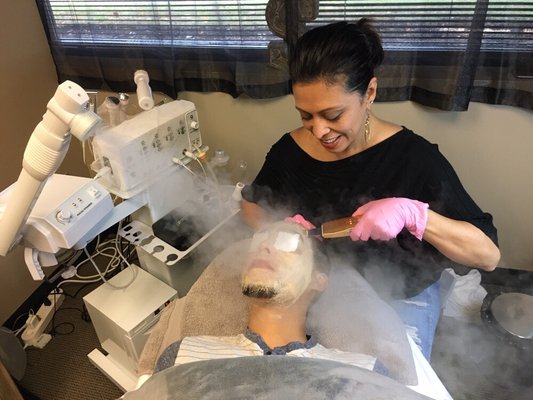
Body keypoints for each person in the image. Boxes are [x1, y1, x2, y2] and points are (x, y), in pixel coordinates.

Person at [240, 19, 500, 360]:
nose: (319, 131)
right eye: (305, 115)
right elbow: (252, 205)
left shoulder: (413, 158)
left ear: (370, 94)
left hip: (398, 296)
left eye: (332, 115)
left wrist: (415, 215)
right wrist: (279, 227)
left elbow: (488, 256)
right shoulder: (289, 151)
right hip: (322, 285)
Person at [154, 220, 386, 375]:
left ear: (318, 280)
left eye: (287, 243)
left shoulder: (362, 371)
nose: (263, 246)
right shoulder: (184, 354)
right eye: (259, 239)